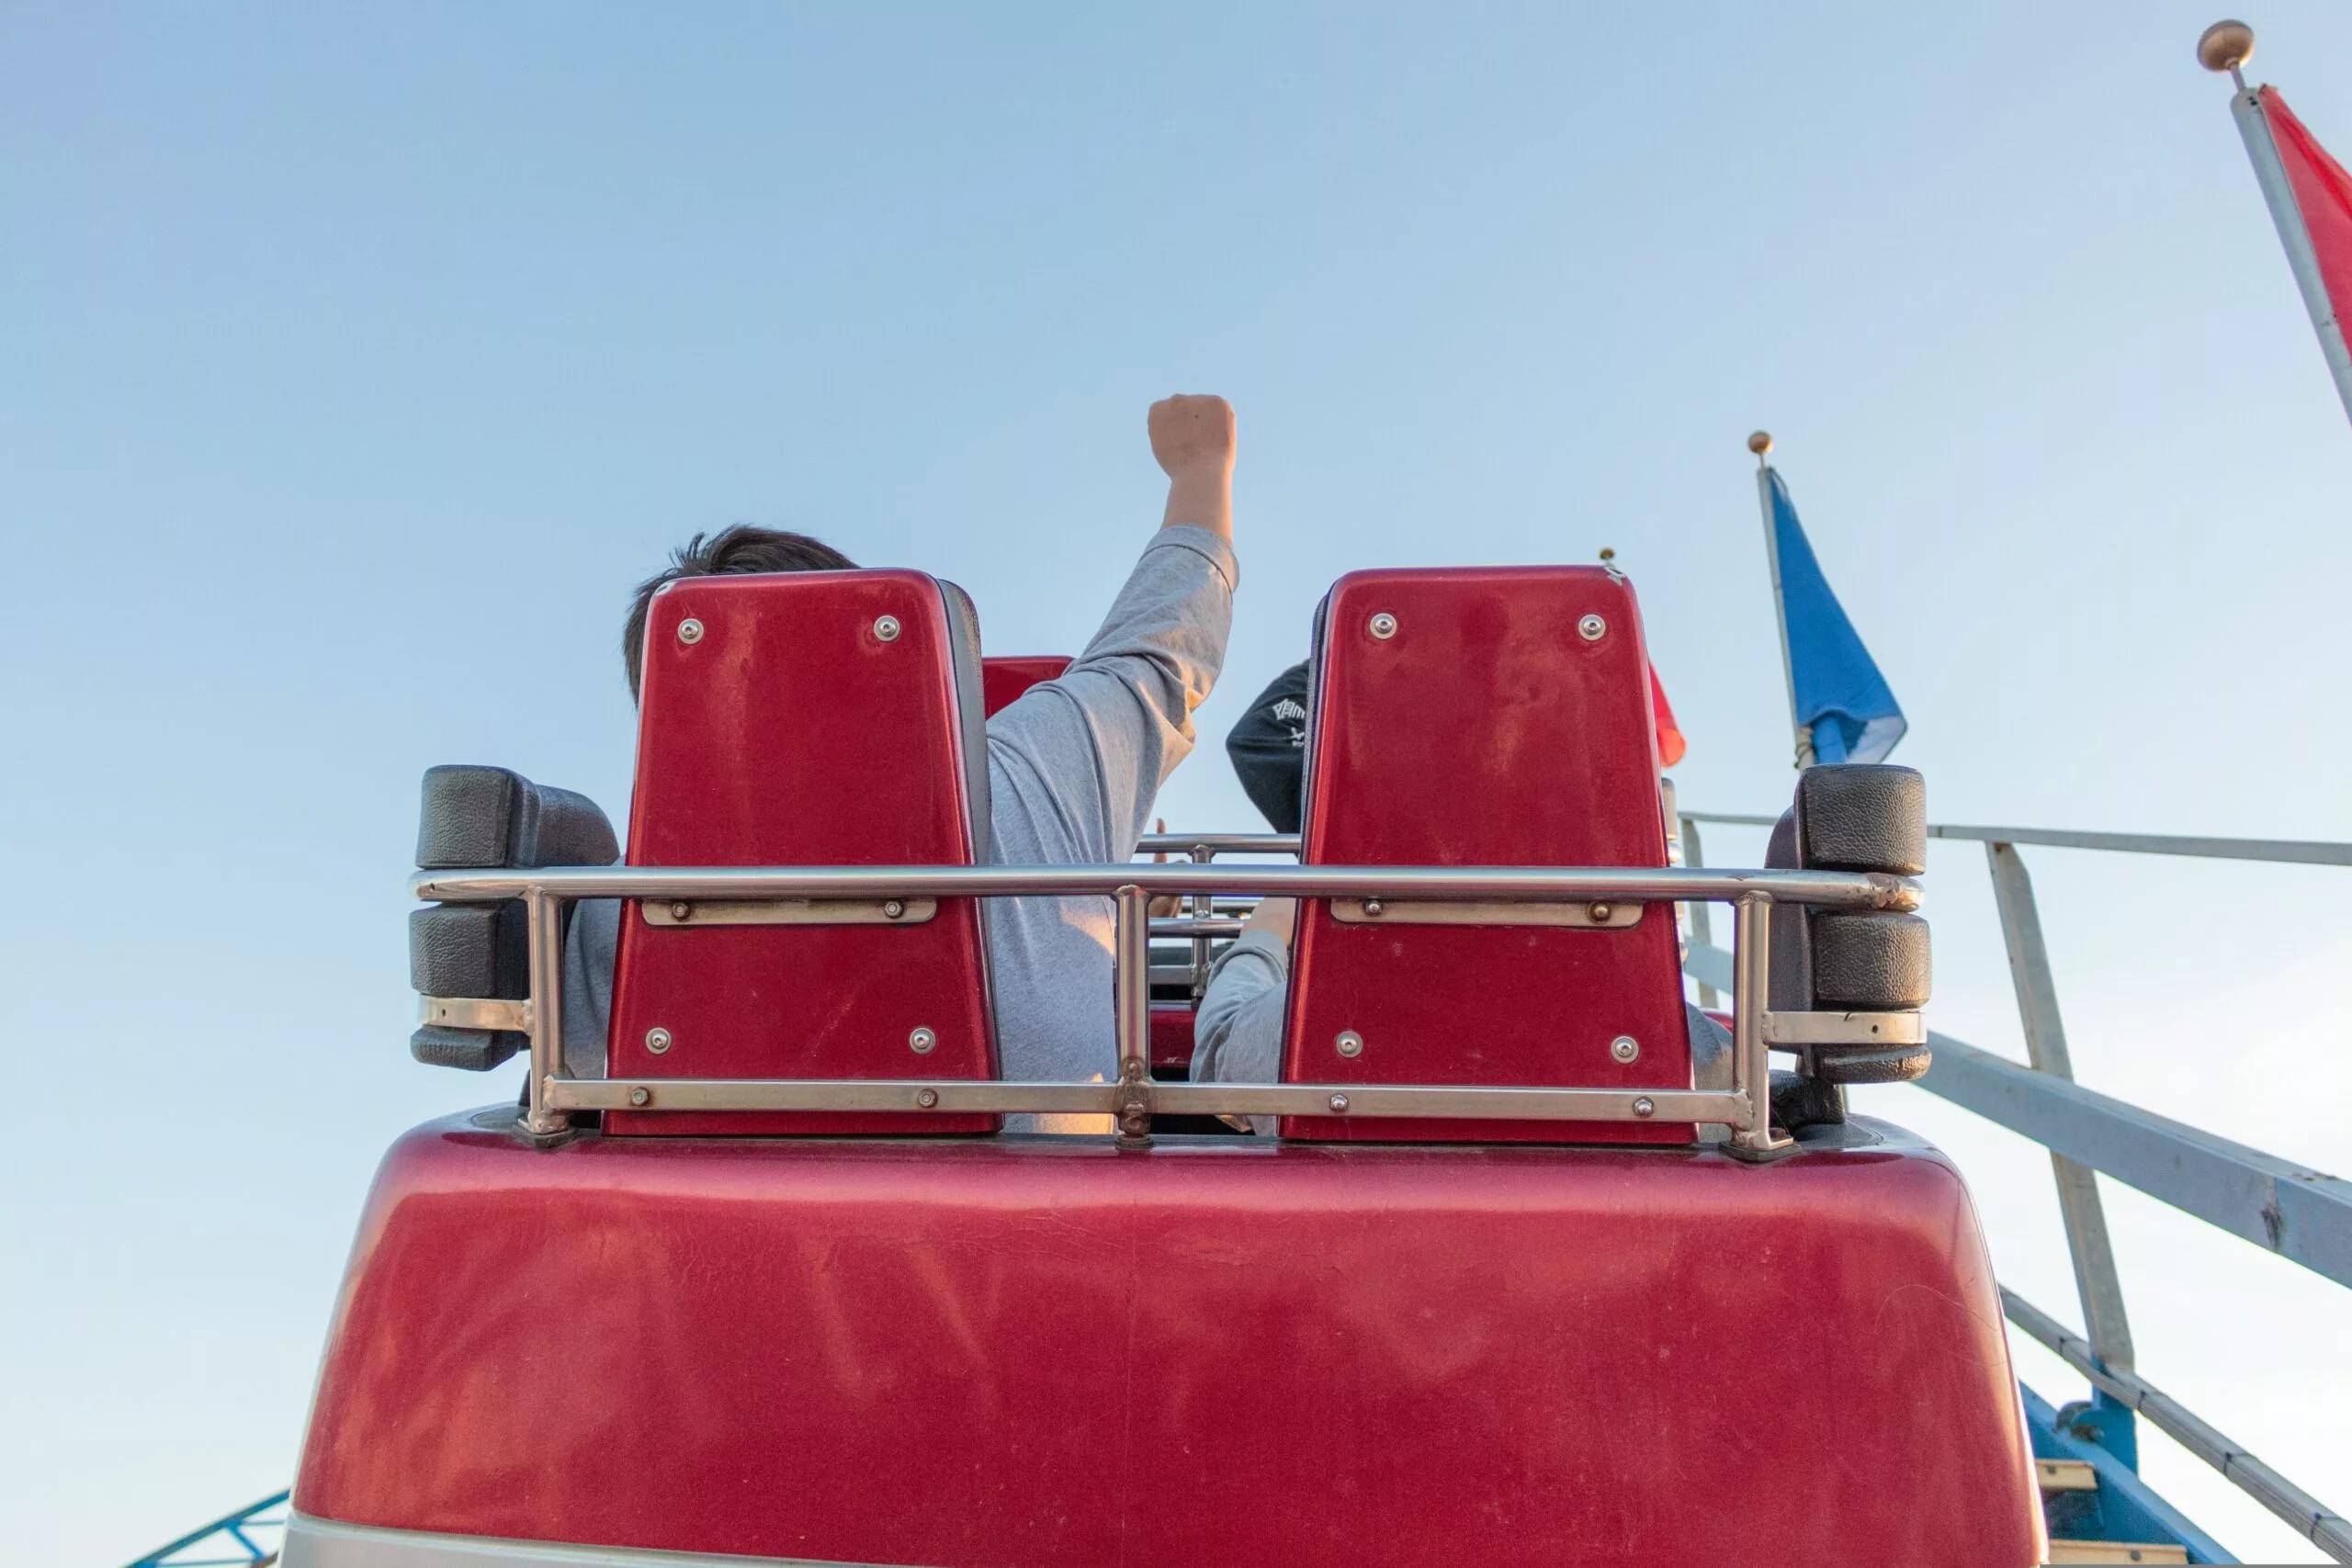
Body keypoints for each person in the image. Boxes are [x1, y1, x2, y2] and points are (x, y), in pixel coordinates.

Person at [563, 394, 1240, 1134]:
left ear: (664, 719)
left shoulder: (600, 913)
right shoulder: (1034, 772)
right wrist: (1200, 471)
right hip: (1030, 1239)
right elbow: (1160, 651)